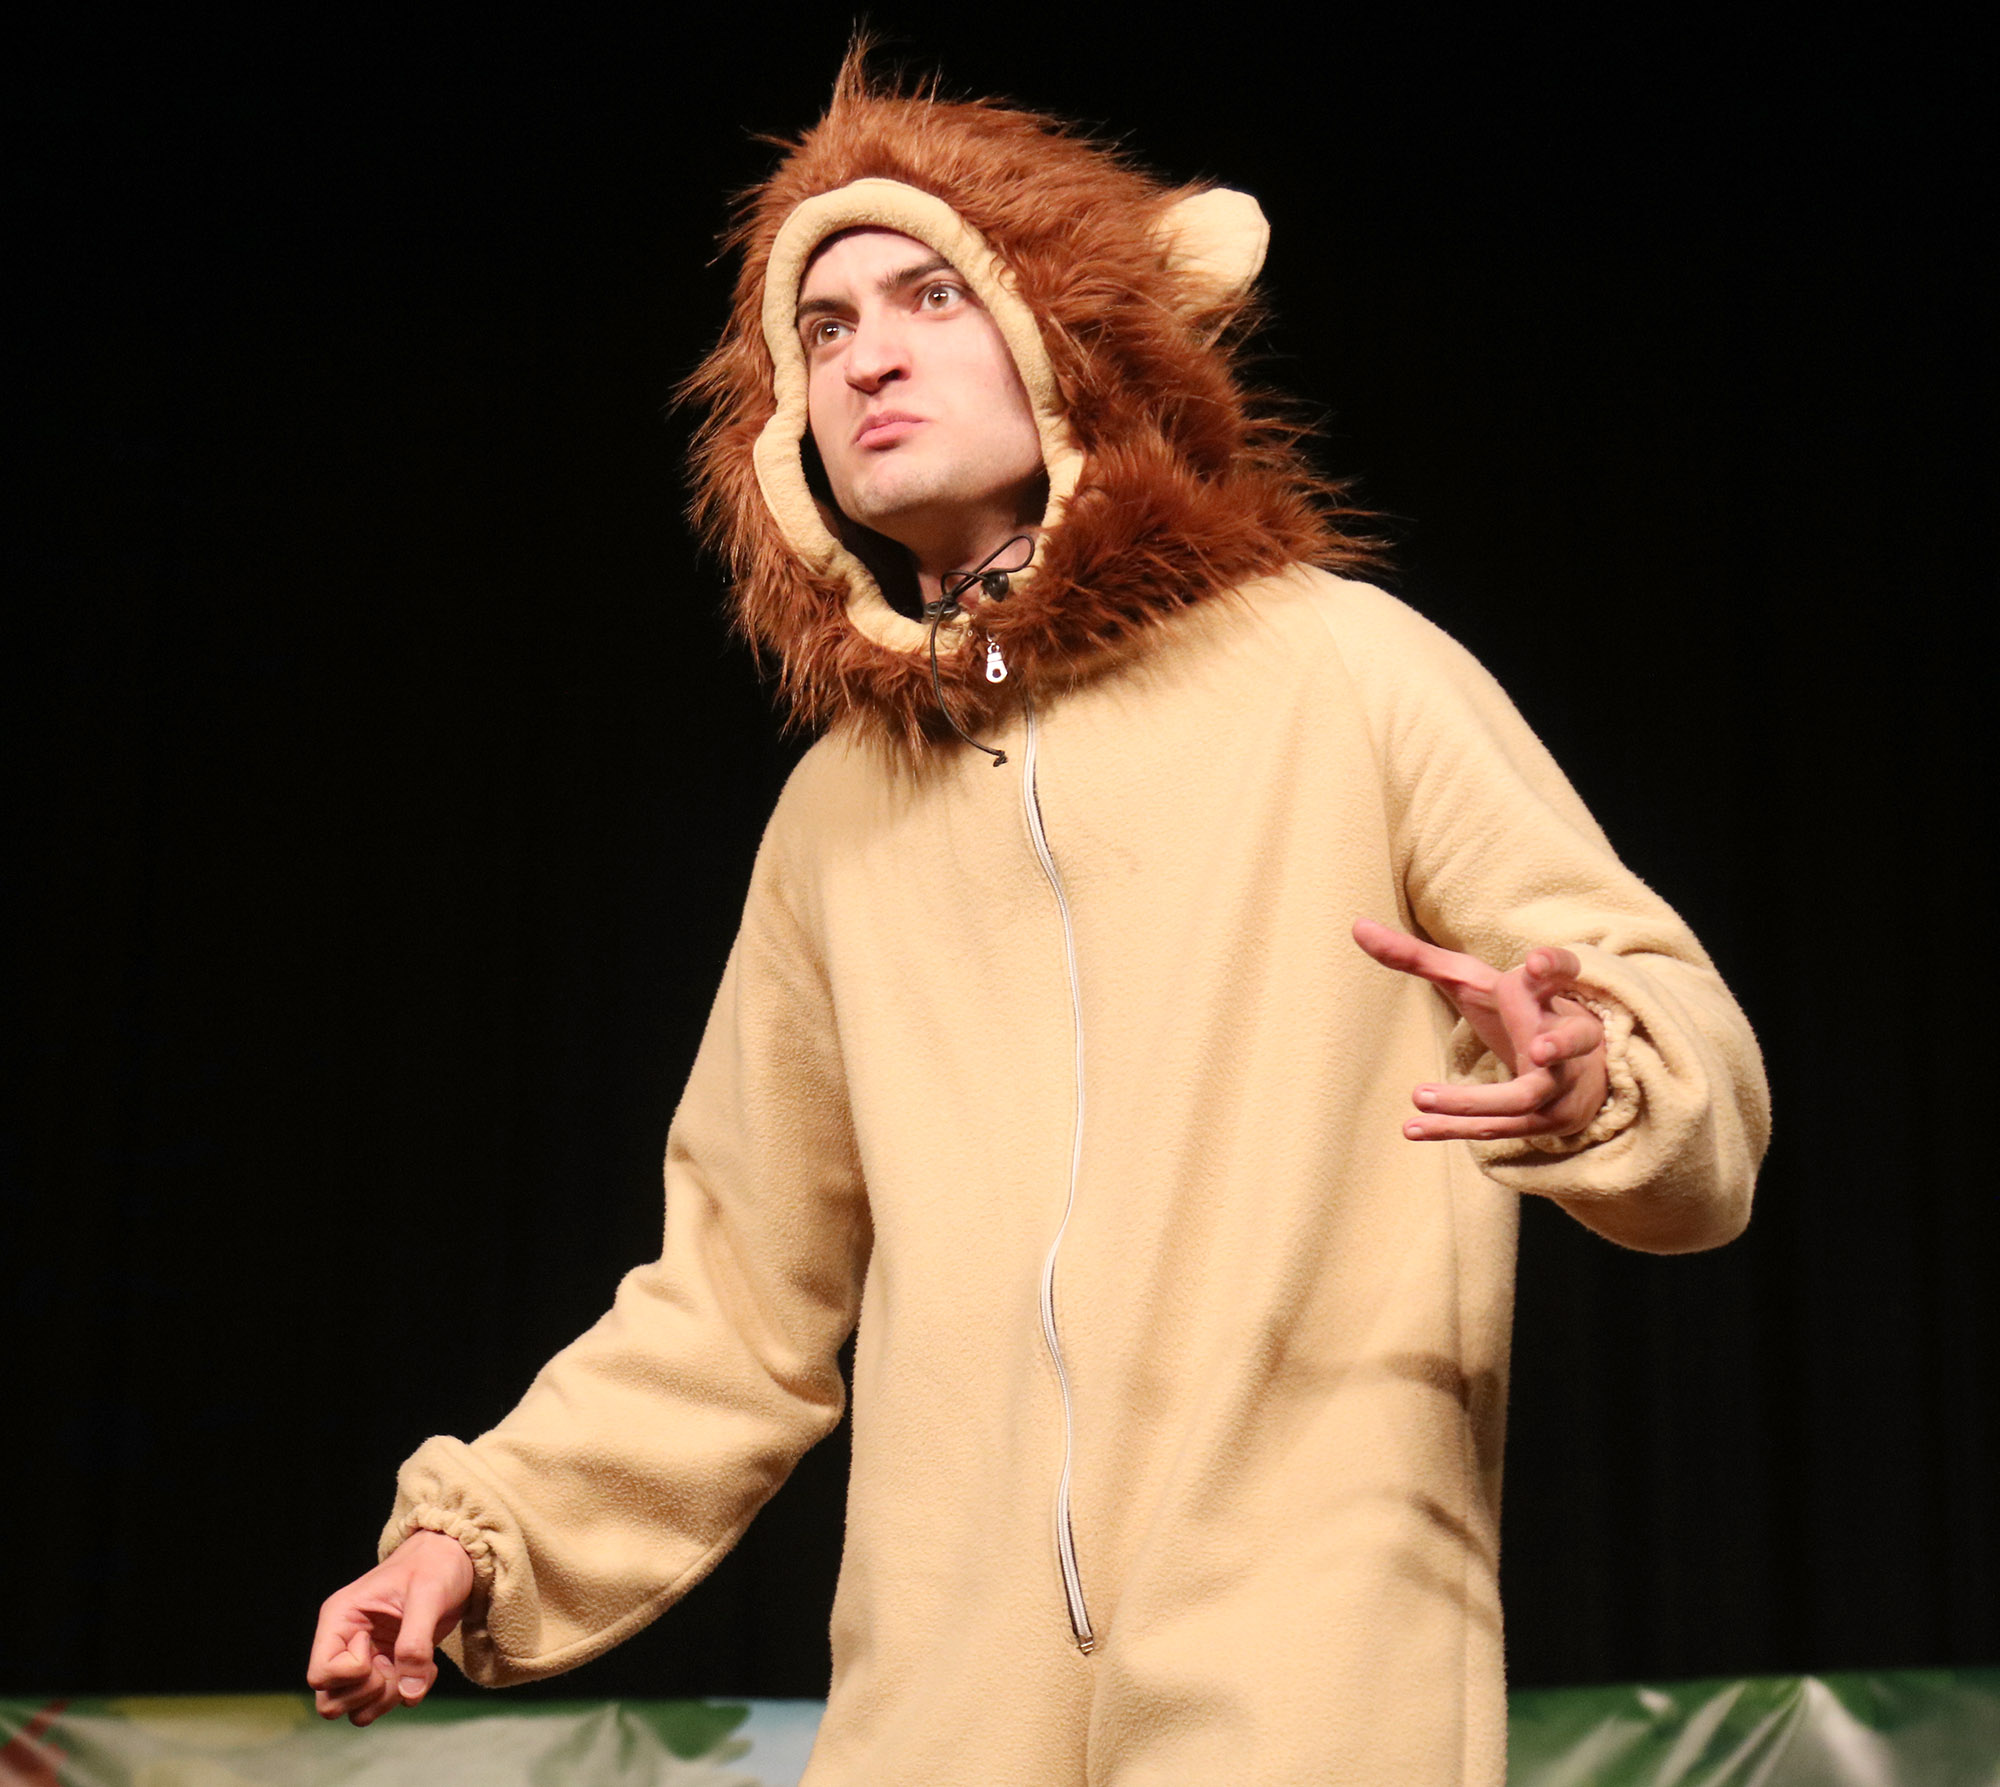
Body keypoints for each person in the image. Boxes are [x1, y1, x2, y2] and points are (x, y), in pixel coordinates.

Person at [307, 55, 1769, 1785]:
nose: (867, 355)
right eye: (824, 326)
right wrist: (475, 1540)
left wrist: (1589, 1075)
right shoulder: (836, 815)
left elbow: (1682, 1071)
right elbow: (739, 1297)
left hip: (1306, 1650)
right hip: (942, 1690)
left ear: (1069, 336)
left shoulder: (1340, 669)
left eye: (931, 295)